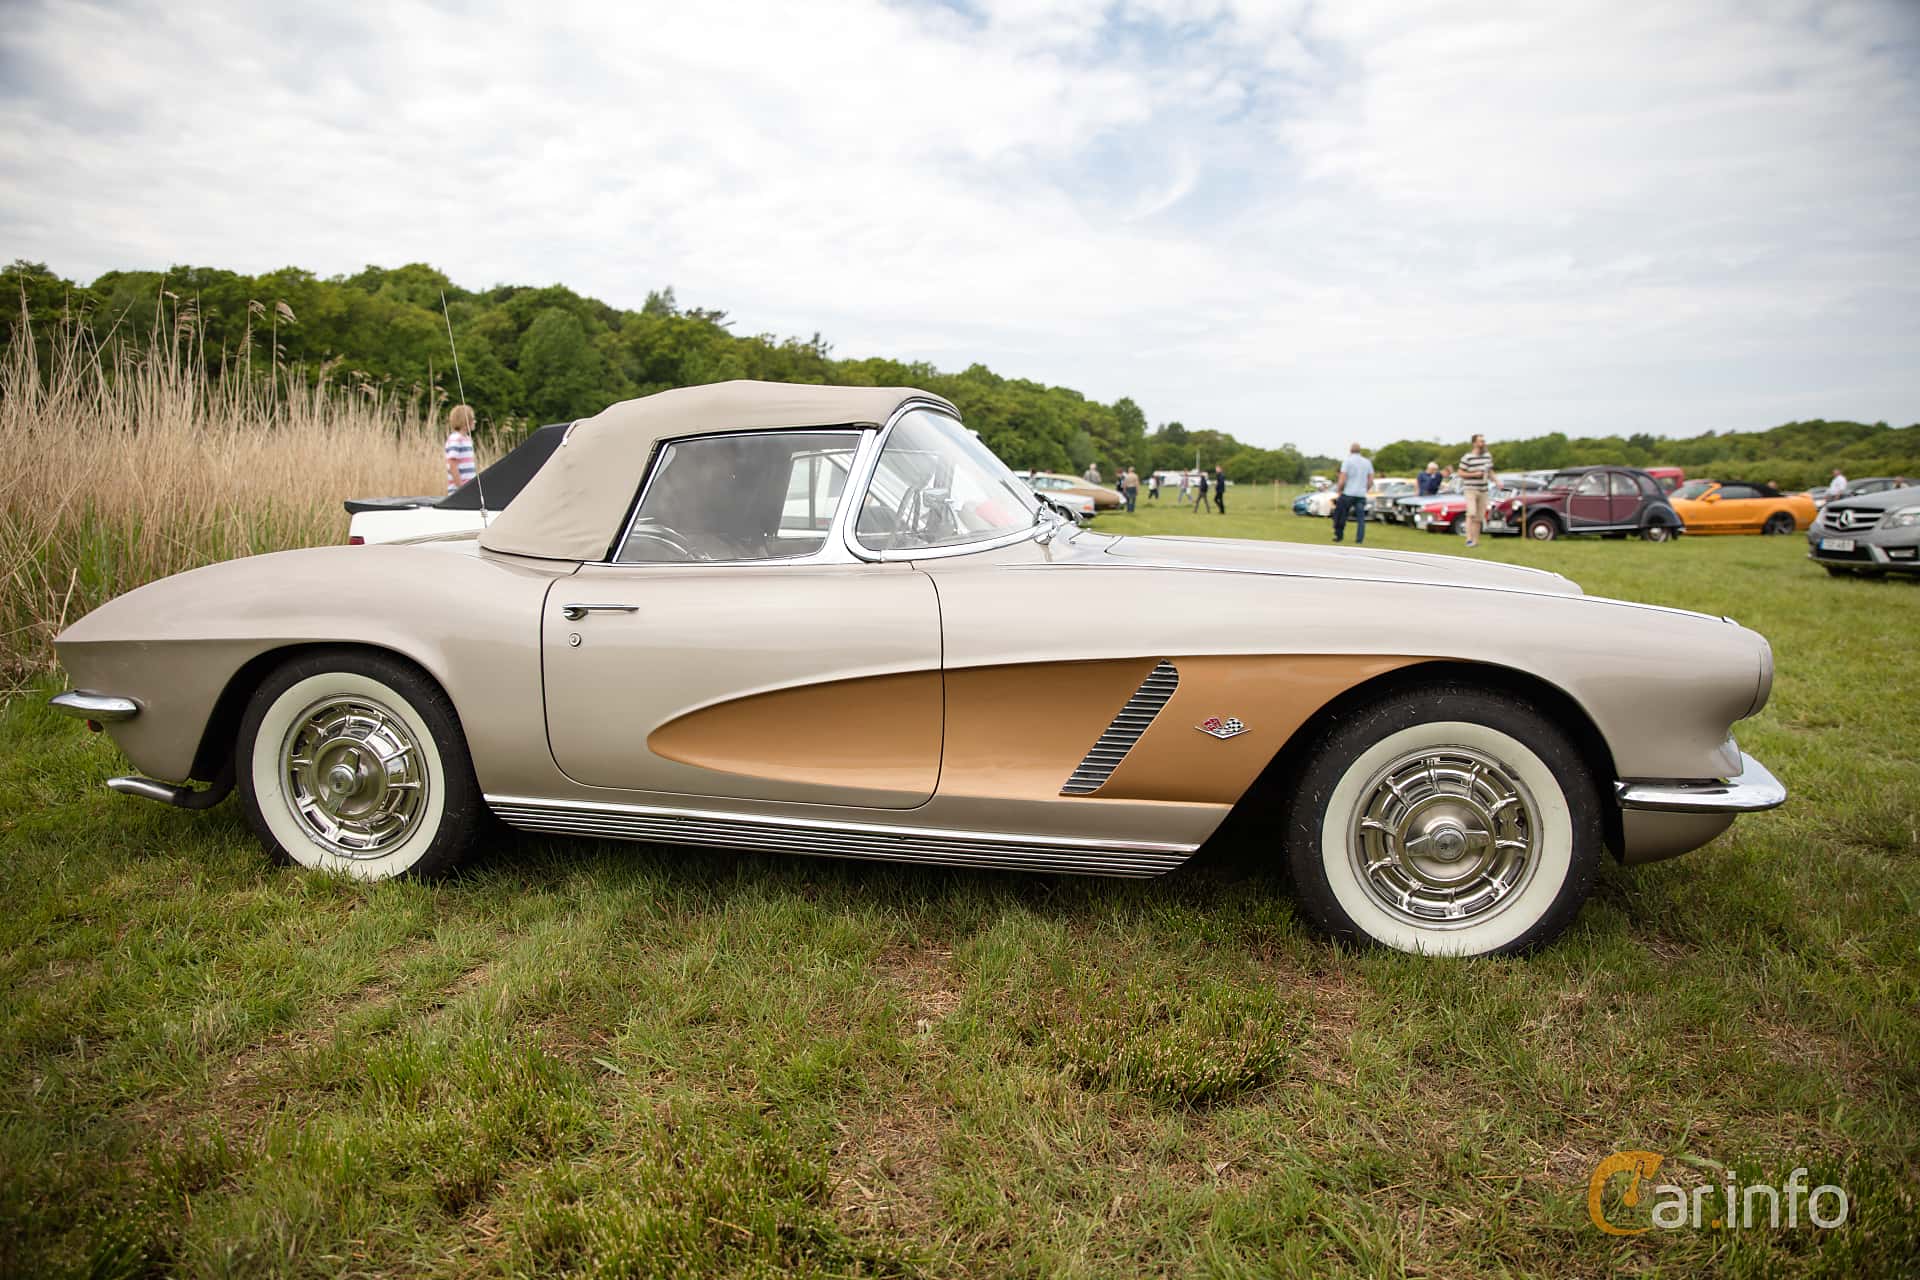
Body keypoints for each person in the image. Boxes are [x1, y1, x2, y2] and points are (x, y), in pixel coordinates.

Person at [1331, 442, 1373, 543]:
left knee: (1341, 515)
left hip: (1348, 493)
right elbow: (1370, 480)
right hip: (1360, 494)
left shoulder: (1347, 461)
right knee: (1361, 519)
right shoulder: (1367, 462)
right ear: (1360, 451)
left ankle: (1339, 536)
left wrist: (1339, 490)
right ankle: (1359, 539)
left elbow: (1342, 478)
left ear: (1350, 450)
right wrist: (1365, 489)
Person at [1458, 433, 1494, 547]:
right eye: (1480, 441)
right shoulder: (1467, 457)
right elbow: (1460, 473)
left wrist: (1497, 482)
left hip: (1483, 489)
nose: (1482, 443)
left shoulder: (1487, 456)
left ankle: (1475, 541)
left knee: (1479, 517)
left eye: (1483, 441)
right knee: (1471, 513)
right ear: (1474, 443)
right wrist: (1474, 474)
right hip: (1470, 489)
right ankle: (1468, 539)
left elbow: (1490, 471)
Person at [444, 404, 477, 495]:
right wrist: (460, 487)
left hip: (470, 488)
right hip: (459, 490)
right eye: (473, 419)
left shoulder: (467, 439)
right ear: (465, 421)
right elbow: (452, 464)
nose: (475, 421)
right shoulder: (456, 439)